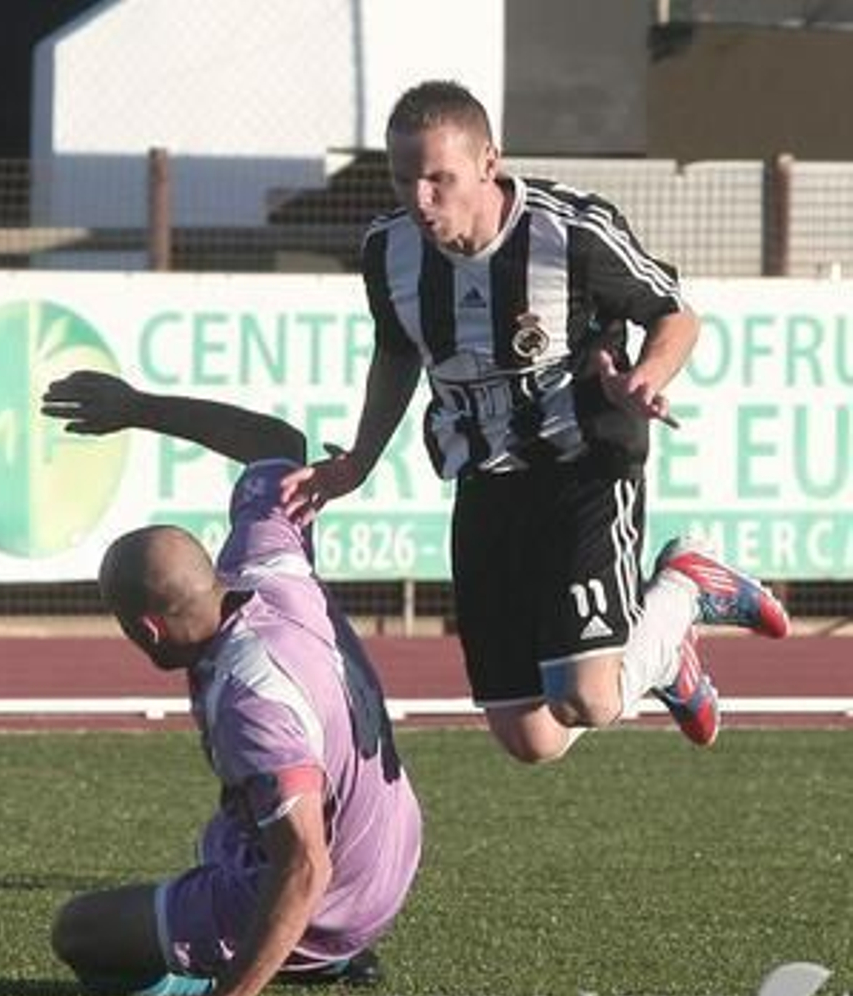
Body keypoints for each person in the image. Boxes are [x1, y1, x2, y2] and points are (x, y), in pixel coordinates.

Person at [278, 79, 788, 762]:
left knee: (590, 700)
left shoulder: (568, 231)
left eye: (440, 178)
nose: (421, 199)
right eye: (405, 179)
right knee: (533, 740)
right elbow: (397, 351)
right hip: (485, 480)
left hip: (585, 466)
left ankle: (682, 593)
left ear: (490, 162)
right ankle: (666, 647)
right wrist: (358, 461)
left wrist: (647, 376)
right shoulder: (387, 250)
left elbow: (674, 313)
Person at [41, 370, 422, 996]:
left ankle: (309, 960)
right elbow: (276, 439)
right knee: (229, 831)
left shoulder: (252, 702)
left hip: (337, 898)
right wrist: (137, 408)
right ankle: (307, 943)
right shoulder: (267, 556)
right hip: (391, 848)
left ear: (148, 627)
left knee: (82, 933)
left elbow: (305, 863)